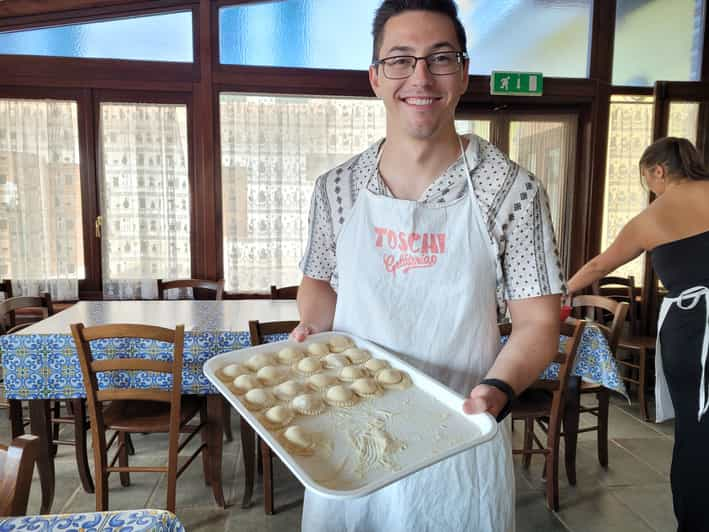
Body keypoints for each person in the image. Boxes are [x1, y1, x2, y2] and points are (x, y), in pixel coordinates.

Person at [293, 1, 564, 530]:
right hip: (349, 430)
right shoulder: (336, 188)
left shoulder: (512, 189)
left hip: (457, 436)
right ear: (375, 77)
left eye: (440, 58)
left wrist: (499, 389)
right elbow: (319, 283)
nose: (420, 76)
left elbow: (538, 323)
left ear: (462, 74)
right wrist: (315, 329)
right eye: (400, 59)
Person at [566, 136, 709, 532]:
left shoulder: (654, 216)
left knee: (696, 431)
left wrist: (564, 293)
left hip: (693, 330)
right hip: (696, 327)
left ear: (658, 171)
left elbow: (597, 265)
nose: (650, 187)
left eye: (647, 178)